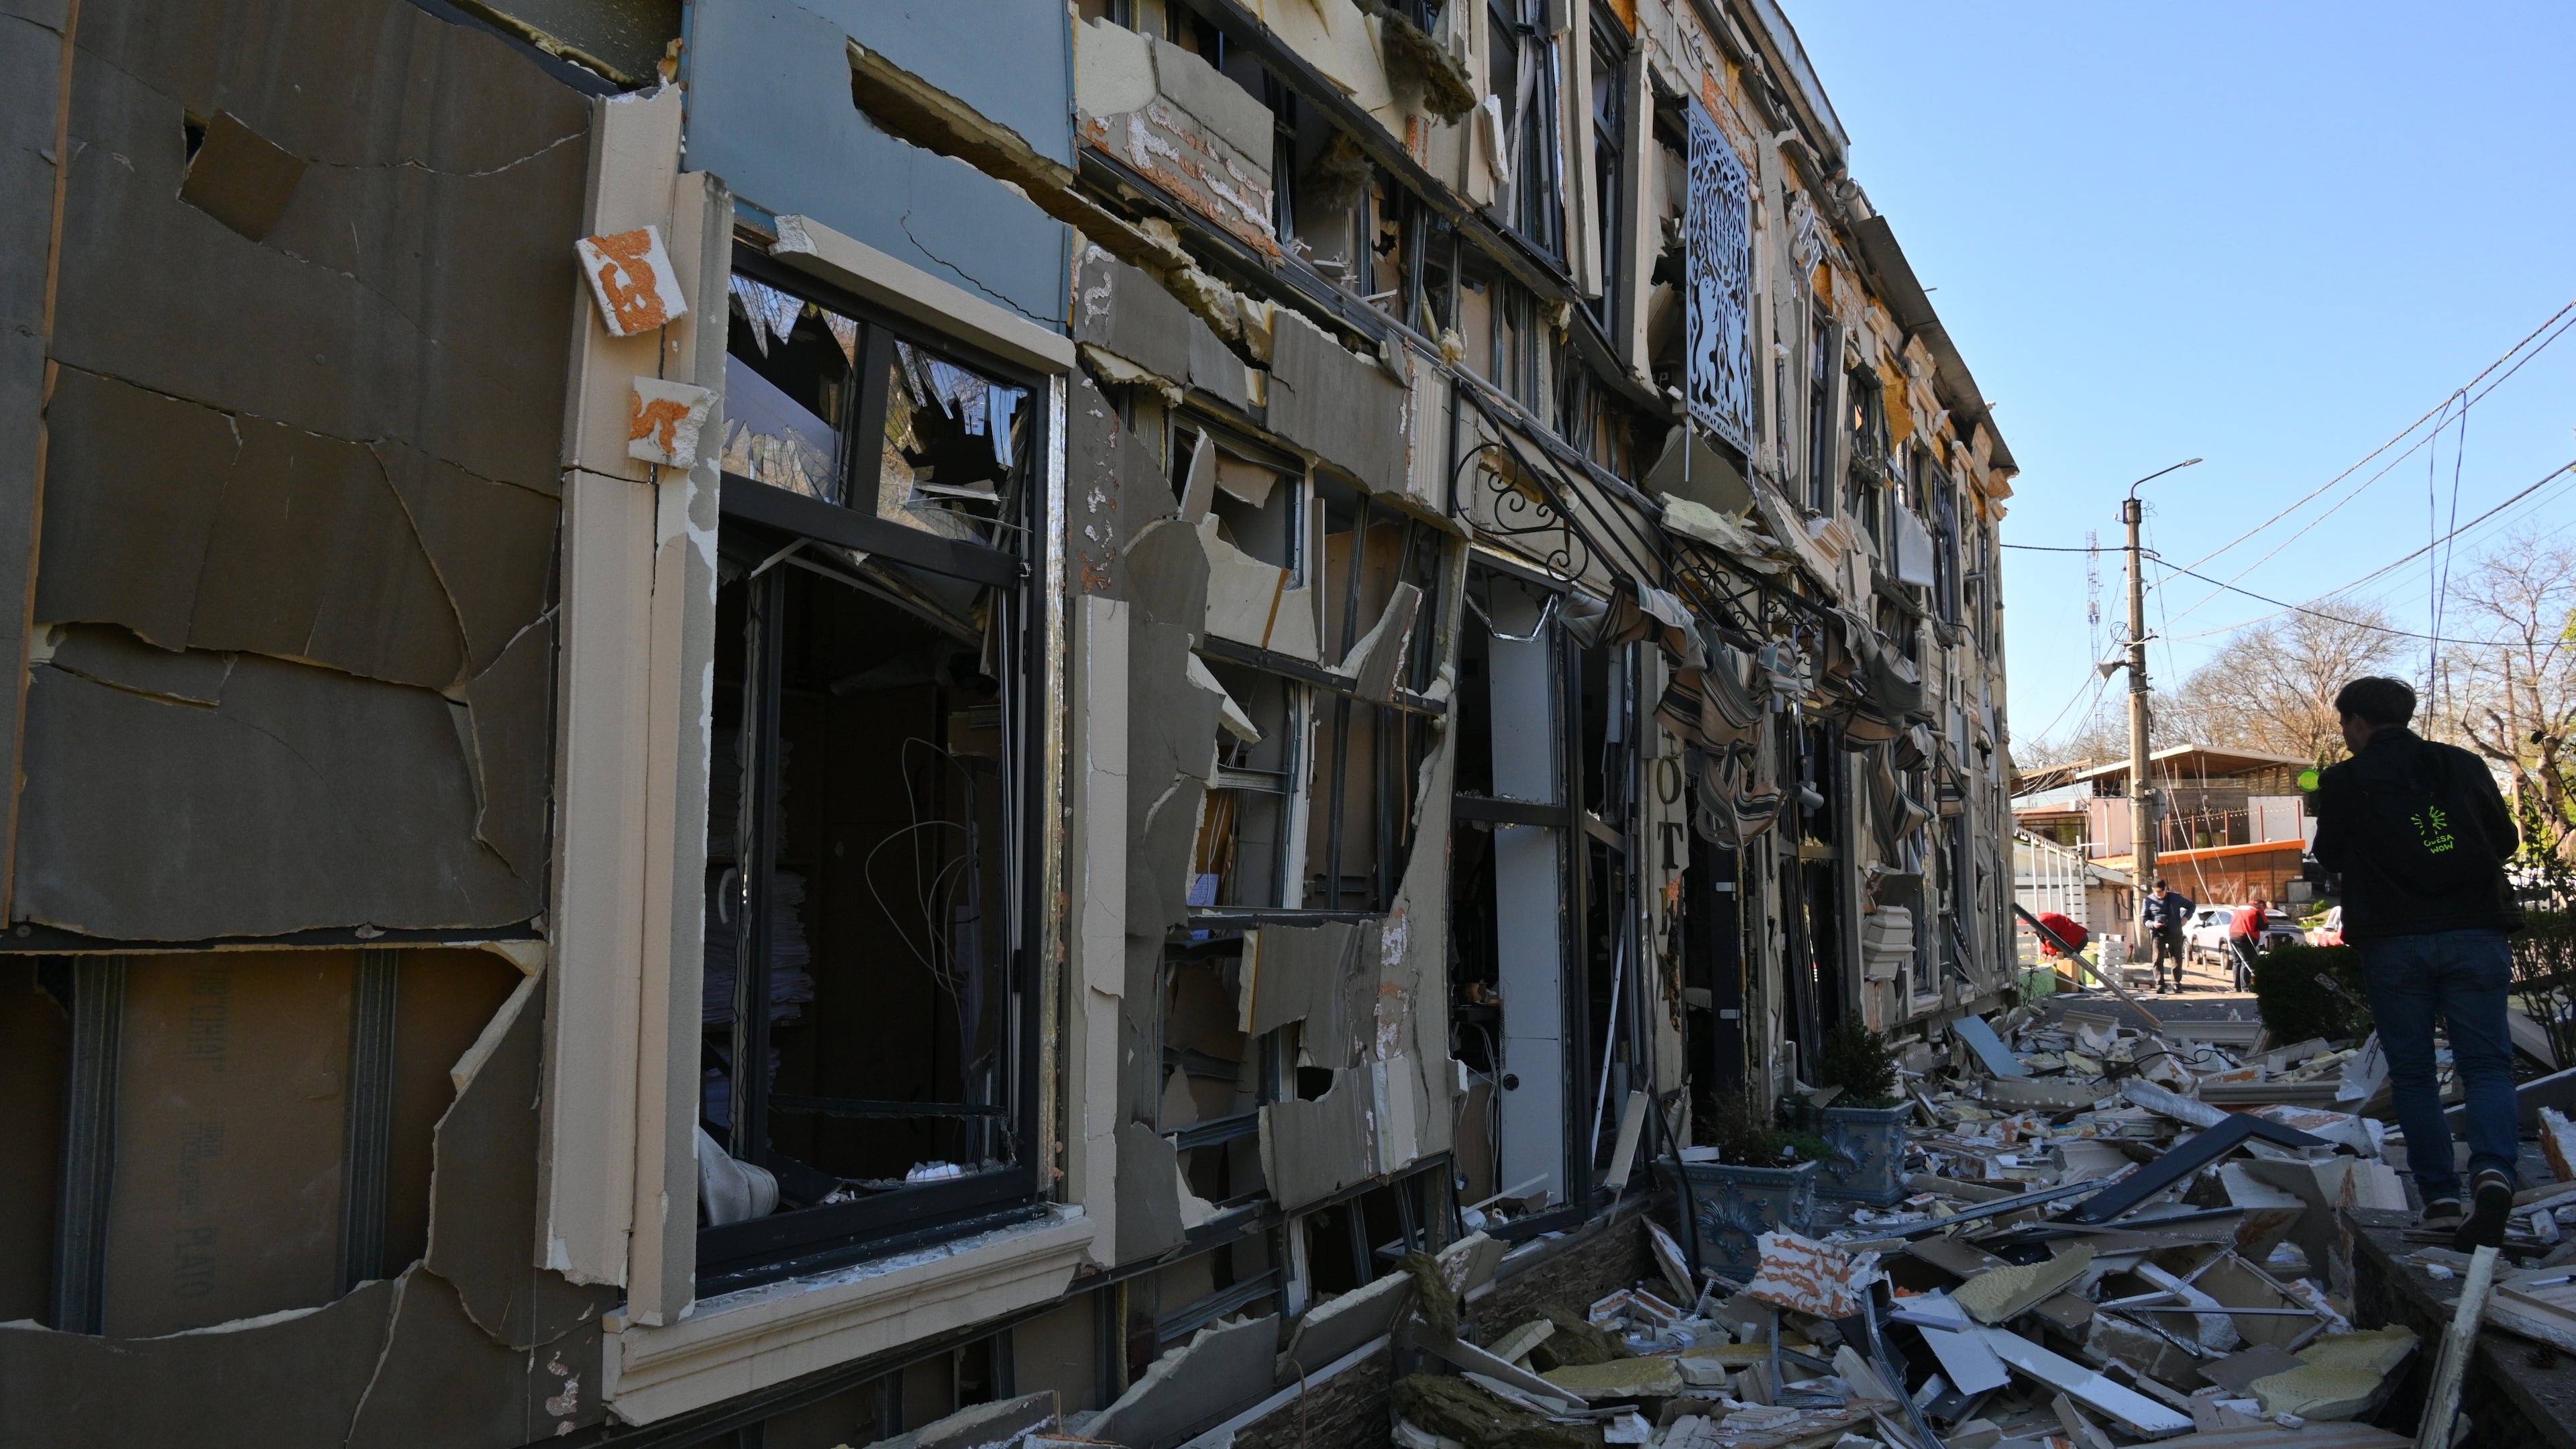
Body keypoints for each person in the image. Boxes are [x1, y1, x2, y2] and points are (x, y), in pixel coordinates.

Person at [2312, 676, 2522, 1250]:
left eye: (2345, 725)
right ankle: (2494, 1171)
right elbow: (2503, 840)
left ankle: (2440, 1199)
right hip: (2476, 930)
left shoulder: (2345, 780)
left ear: (2356, 721)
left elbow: (2328, 855)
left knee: (2413, 1073)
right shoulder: (2462, 765)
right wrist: (2442, 842)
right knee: (2486, 1065)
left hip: (2393, 939)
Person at [2141, 880, 2194, 991]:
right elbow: (2144, 919)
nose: (2158, 894)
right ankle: (2160, 984)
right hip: (2157, 933)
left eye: (2161, 892)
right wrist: (2152, 924)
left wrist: (2186, 918)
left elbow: (2191, 906)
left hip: (2175, 931)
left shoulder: (2176, 897)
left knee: (2177, 958)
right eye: (2156, 892)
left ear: (2166, 889)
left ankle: (2176, 983)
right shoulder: (2148, 901)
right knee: (2157, 959)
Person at [2228, 896, 2269, 991]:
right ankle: (2245, 988)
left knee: (2237, 962)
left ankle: (2237, 987)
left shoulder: (2239, 907)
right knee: (2246, 962)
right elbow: (2265, 926)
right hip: (2246, 937)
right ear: (2261, 905)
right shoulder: (2257, 909)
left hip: (2233, 936)